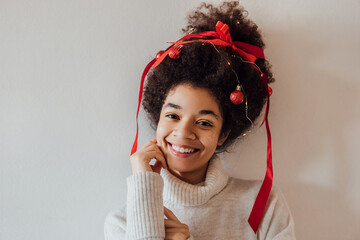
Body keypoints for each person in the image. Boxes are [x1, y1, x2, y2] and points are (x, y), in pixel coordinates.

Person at [104, 1, 296, 239]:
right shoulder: (122, 223)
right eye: (173, 116)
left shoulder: (263, 205)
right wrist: (144, 185)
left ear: (223, 133)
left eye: (204, 122)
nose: (184, 133)